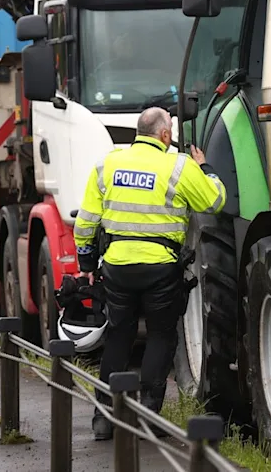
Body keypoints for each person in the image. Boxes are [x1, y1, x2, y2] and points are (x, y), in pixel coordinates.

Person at [73, 106, 226, 441]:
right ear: (165, 135)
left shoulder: (107, 164)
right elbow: (214, 202)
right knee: (160, 336)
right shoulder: (179, 166)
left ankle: (103, 417)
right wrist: (207, 169)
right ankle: (147, 419)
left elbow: (85, 221)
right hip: (160, 269)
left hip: (117, 268)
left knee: (118, 336)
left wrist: (86, 264)